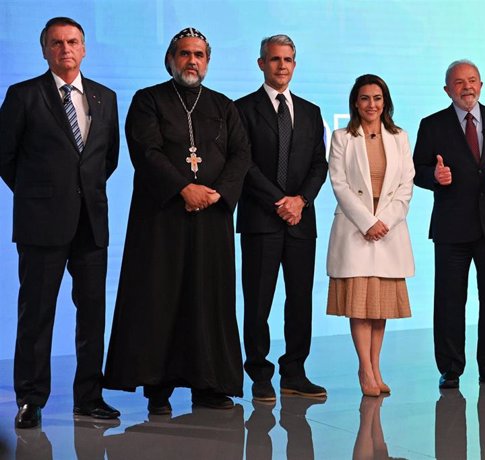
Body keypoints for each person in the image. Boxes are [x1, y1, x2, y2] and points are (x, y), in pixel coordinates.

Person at [103, 28, 251, 413]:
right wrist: (184, 189)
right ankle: (158, 387)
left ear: (208, 61)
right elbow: (146, 152)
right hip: (162, 218)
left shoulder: (224, 105)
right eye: (184, 54)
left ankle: (210, 383)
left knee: (208, 299)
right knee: (160, 298)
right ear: (170, 59)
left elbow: (241, 156)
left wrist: (216, 194)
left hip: (211, 219)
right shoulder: (148, 100)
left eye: (199, 54)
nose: (192, 61)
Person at [0, 17, 120, 429]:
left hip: (91, 223)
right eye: (56, 43)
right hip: (41, 224)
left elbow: (107, 160)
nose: (65, 49)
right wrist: (41, 194)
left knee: (92, 314)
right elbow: (6, 158)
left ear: (84, 49)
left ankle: (89, 396)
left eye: (72, 42)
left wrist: (80, 193)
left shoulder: (105, 98)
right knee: (36, 314)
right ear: (45, 50)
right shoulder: (23, 95)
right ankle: (30, 400)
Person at [413, 60, 485, 388]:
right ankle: (450, 367)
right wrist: (433, 177)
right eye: (459, 82)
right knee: (449, 299)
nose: (467, 87)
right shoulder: (432, 124)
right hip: (451, 226)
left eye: (472, 80)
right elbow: (418, 168)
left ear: (481, 84)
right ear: (447, 89)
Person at [236, 34, 328, 402]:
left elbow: (319, 165)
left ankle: (295, 371)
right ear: (261, 64)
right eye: (274, 59)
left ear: (295, 63)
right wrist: (280, 201)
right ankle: (259, 373)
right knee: (258, 301)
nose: (282, 66)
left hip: (301, 221)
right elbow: (244, 164)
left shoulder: (310, 110)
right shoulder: (241, 109)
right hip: (261, 219)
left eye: (288, 59)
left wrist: (301, 200)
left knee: (299, 300)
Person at [326, 74, 415, 396]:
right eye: (365, 98)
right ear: (355, 102)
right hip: (356, 230)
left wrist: (385, 221)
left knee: (380, 310)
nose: (371, 104)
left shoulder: (400, 137)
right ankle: (364, 369)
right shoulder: (341, 137)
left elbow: (406, 186)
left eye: (377, 98)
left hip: (388, 233)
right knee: (360, 307)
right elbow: (339, 184)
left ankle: (376, 367)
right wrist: (367, 222)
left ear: (385, 102)